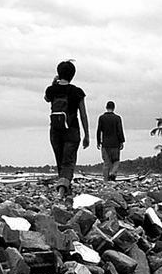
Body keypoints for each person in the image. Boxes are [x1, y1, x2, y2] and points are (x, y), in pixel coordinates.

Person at [44, 60, 89, 198]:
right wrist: (87, 135)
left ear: (58, 73)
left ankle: (63, 187)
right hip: (72, 130)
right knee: (68, 161)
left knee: (60, 160)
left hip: (55, 130)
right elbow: (83, 114)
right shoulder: (77, 92)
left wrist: (53, 83)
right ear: (72, 75)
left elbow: (46, 98)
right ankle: (63, 189)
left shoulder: (51, 90)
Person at [96, 100, 125, 181]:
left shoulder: (101, 118)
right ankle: (112, 173)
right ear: (114, 108)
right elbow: (120, 130)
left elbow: (99, 130)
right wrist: (122, 141)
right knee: (116, 161)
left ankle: (106, 180)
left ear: (106, 107)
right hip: (115, 144)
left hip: (105, 144)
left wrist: (98, 141)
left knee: (106, 162)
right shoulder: (117, 118)